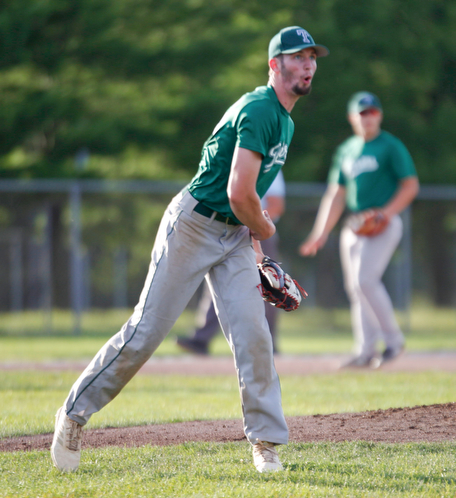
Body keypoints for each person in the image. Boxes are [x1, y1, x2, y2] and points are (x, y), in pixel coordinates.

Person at [51, 26, 328, 474]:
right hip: (194, 225)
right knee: (146, 333)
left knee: (254, 335)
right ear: (275, 65)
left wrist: (256, 248)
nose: (308, 64)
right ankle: (73, 415)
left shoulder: (286, 120)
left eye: (312, 57)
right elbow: (241, 195)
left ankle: (266, 443)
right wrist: (266, 226)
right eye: (297, 57)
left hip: (235, 234)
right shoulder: (260, 109)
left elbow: (247, 196)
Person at [299, 91, 419, 368]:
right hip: (354, 224)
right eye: (362, 113)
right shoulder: (347, 150)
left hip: (383, 221)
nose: (368, 117)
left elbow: (410, 185)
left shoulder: (390, 145)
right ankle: (365, 350)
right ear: (352, 117)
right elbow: (336, 194)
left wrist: (385, 214)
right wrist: (321, 231)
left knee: (365, 280)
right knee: (354, 287)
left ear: (380, 115)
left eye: (373, 112)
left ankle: (394, 341)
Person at [176, 170, 286, 355]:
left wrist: (254, 225)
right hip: (225, 230)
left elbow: (276, 205)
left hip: (257, 232)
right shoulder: (227, 158)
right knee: (215, 284)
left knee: (266, 287)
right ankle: (201, 339)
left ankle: (268, 343)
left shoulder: (269, 160)